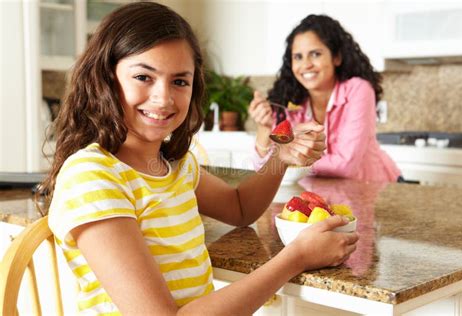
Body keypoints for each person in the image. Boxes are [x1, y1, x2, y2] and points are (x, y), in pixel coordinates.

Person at [39, 3, 358, 315]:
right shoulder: (93, 177)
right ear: (106, 79)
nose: (163, 98)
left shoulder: (174, 166)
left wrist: (281, 155)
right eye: (143, 77)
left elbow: (240, 208)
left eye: (180, 81)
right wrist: (295, 258)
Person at [249, 14, 401, 183]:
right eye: (298, 57)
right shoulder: (291, 102)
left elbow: (345, 165)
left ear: (337, 57)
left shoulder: (358, 89)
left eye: (315, 54)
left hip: (375, 189)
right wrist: (264, 129)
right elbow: (264, 168)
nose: (306, 64)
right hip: (325, 194)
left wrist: (292, 160)